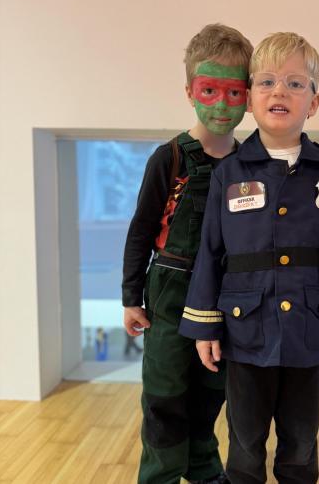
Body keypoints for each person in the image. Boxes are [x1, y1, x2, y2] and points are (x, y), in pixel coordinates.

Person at [179, 32, 319, 484]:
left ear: (314, 102)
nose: (280, 92)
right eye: (267, 82)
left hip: (308, 329)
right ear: (250, 97)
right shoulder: (229, 173)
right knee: (245, 443)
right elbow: (211, 251)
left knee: (301, 441)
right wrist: (204, 326)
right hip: (244, 330)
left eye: (295, 84)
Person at [122, 24, 253, 484]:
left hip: (225, 296)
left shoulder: (250, 164)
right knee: (164, 393)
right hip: (170, 292)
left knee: (211, 390)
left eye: (234, 92)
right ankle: (159, 475)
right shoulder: (170, 158)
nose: (221, 104)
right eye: (209, 90)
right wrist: (130, 296)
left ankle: (203, 469)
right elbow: (141, 230)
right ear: (189, 92)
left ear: (249, 96)